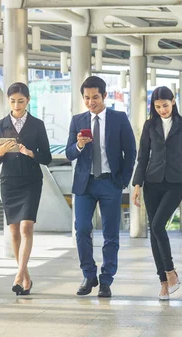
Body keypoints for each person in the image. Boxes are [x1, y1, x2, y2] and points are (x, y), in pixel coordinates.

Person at [65, 76, 137, 298]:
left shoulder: (119, 118)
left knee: (110, 234)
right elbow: (68, 153)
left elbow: (131, 152)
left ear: (104, 96)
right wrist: (78, 145)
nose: (90, 102)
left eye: (95, 97)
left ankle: (106, 280)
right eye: (86, 98)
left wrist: (122, 181)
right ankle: (88, 275)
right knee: (82, 228)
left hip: (110, 183)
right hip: (85, 184)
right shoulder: (78, 120)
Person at [131, 85, 182, 301]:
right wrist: (136, 185)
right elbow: (142, 156)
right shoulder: (150, 125)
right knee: (154, 230)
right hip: (151, 182)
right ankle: (163, 282)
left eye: (166, 105)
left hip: (175, 182)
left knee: (158, 225)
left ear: (173, 101)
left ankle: (170, 271)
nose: (162, 110)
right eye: (158, 106)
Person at [0, 82, 52, 296]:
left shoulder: (37, 125)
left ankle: (18, 275)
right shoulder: (0, 124)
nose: (16, 105)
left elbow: (47, 157)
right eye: (12, 101)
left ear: (28, 101)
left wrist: (30, 153)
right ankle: (25, 276)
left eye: (20, 100)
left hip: (31, 181)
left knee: (27, 227)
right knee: (14, 231)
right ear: (8, 101)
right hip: (9, 181)